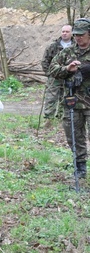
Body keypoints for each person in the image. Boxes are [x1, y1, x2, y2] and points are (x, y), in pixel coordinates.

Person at [49, 18, 90, 179]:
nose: (78, 38)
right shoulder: (68, 52)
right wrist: (68, 68)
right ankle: (80, 167)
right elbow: (52, 68)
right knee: (74, 136)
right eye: (76, 35)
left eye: (82, 35)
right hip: (72, 102)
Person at [41, 24, 74, 122]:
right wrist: (49, 74)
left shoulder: (75, 46)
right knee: (51, 97)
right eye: (63, 31)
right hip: (55, 77)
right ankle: (48, 119)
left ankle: (61, 117)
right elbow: (45, 61)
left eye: (67, 32)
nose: (64, 33)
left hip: (69, 77)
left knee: (66, 97)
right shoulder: (53, 46)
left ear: (71, 33)